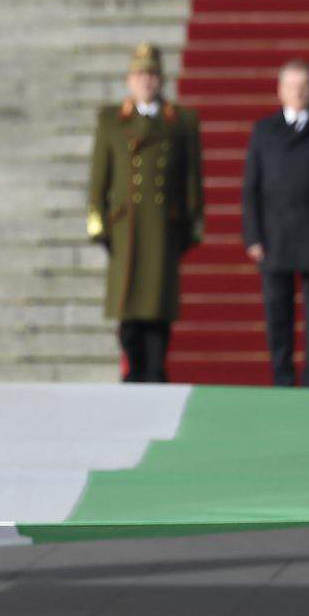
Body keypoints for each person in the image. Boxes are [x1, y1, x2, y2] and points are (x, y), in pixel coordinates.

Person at [87, 42, 204, 382]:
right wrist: (98, 223)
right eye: (140, 75)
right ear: (129, 80)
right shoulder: (112, 120)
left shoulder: (180, 121)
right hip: (126, 229)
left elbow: (192, 179)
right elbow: (100, 177)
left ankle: (155, 371)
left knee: (158, 307)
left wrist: (191, 226)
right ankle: (133, 371)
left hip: (163, 228)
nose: (146, 82)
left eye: (152, 75)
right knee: (129, 309)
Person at [240, 59, 309, 386]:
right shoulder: (263, 131)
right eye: (291, 86)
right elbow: (251, 187)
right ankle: (282, 377)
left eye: (304, 86)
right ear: (279, 90)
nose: (297, 92)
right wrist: (252, 236)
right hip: (274, 235)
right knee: (277, 312)